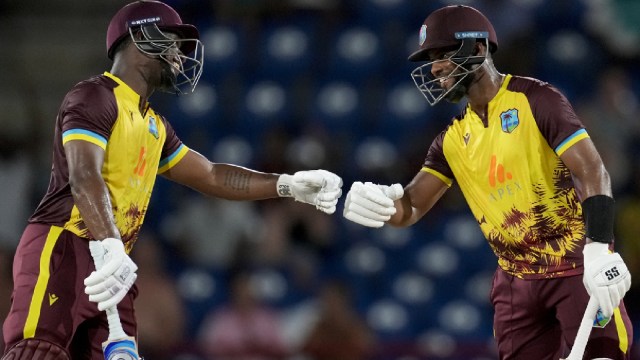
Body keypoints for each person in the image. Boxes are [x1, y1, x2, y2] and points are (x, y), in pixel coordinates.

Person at [1, 1, 342, 359]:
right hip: (64, 246)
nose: (180, 55)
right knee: (38, 352)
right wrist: (112, 245)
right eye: (173, 42)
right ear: (140, 37)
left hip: (111, 258)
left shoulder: (155, 125)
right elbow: (84, 175)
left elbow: (211, 175)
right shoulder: (95, 96)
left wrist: (285, 184)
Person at [342, 5, 633, 360]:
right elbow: (413, 206)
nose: (434, 67)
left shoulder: (536, 99)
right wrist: (381, 203)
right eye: (431, 58)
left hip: (576, 266)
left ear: (478, 49)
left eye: (442, 54)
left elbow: (592, 171)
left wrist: (599, 248)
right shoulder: (449, 140)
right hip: (515, 283)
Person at [197, 269, 289, 359]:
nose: (244, 293)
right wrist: (234, 349)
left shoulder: (269, 317)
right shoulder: (218, 317)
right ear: (233, 291)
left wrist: (260, 347)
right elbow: (205, 350)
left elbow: (282, 350)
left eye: (247, 288)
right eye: (240, 288)